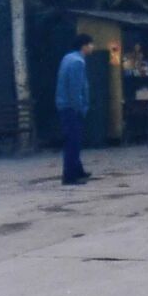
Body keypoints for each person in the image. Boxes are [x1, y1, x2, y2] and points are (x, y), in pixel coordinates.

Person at [55, 34, 95, 186]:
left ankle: (78, 170)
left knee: (72, 139)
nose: (92, 47)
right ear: (84, 46)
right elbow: (75, 88)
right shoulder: (78, 62)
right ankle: (70, 176)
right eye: (90, 44)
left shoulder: (67, 58)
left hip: (64, 104)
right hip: (71, 107)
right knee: (73, 141)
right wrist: (80, 108)